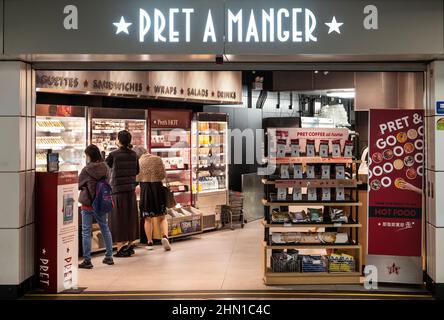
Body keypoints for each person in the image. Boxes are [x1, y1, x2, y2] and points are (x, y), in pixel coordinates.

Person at [78, 144, 114, 269]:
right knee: (105, 228)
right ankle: (109, 256)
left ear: (89, 156)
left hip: (88, 203)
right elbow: (108, 181)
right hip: (101, 202)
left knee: (86, 231)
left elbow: (78, 184)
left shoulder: (86, 170)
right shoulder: (105, 167)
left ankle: (87, 260)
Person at [106, 130, 140, 257]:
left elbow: (105, 168)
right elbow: (137, 171)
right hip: (130, 190)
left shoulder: (113, 155)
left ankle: (120, 248)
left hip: (117, 192)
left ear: (118, 140)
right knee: (130, 218)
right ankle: (130, 245)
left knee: (117, 219)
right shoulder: (133, 154)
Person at [134, 146, 171, 251]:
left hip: (146, 190)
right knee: (162, 216)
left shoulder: (139, 162)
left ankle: (150, 242)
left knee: (147, 218)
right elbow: (163, 175)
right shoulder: (157, 159)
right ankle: (164, 237)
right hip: (158, 189)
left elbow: (136, 178)